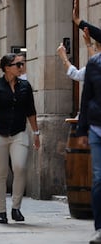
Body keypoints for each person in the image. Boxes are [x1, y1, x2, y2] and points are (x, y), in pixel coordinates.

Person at [0, 53, 40, 224]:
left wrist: (36, 133)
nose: (21, 67)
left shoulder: (25, 86)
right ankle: (2, 211)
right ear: (7, 68)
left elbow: (31, 112)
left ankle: (16, 208)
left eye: (22, 64)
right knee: (0, 173)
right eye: (18, 64)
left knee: (19, 167)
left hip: (19, 133)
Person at [77, 44, 101, 244]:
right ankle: (100, 228)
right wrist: (82, 129)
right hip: (96, 128)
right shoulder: (94, 64)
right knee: (99, 178)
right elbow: (86, 97)